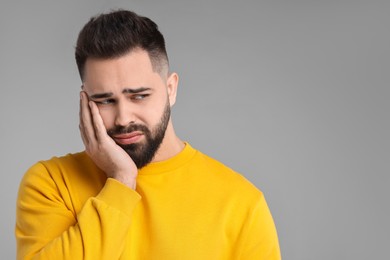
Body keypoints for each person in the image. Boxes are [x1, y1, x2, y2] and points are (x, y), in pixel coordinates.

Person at [15, 9, 281, 259]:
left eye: (139, 96)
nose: (123, 118)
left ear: (171, 89)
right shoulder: (51, 184)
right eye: (105, 100)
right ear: (85, 101)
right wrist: (121, 181)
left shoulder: (242, 203)